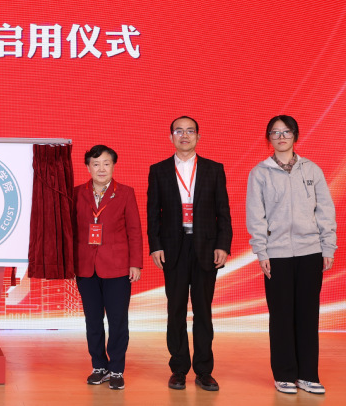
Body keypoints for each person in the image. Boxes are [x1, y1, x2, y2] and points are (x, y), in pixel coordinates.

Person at [246, 115, 337, 395]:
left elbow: (325, 210)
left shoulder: (312, 170)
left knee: (308, 314)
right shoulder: (260, 173)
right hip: (277, 254)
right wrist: (262, 251)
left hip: (311, 251)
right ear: (269, 139)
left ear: (295, 135)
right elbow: (256, 215)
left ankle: (308, 374)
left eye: (286, 132)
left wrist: (328, 246)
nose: (281, 137)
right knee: (281, 315)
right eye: (275, 132)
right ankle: (284, 374)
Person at [146, 116, 232, 392]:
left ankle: (204, 371)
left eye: (190, 131)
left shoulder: (213, 169)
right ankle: (179, 369)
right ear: (170, 136)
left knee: (203, 311)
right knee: (176, 310)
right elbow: (153, 213)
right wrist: (155, 245)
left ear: (198, 136)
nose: (184, 135)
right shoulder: (158, 170)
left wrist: (223, 245)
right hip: (173, 248)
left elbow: (223, 211)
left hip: (206, 247)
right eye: (179, 131)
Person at [74, 145, 142, 391]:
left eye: (106, 163)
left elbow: (134, 230)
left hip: (118, 268)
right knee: (92, 320)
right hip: (85, 267)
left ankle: (116, 369)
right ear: (88, 167)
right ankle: (99, 367)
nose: (101, 168)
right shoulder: (76, 193)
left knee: (117, 321)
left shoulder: (125, 193)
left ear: (113, 166)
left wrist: (135, 263)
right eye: (95, 164)